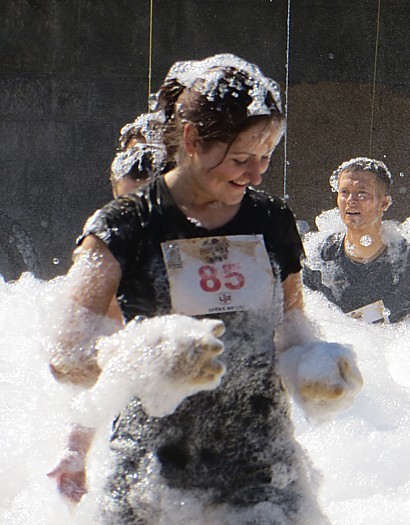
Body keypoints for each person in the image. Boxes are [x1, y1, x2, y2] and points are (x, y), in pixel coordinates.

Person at [47, 53, 361, 524]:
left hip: (262, 466)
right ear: (192, 140)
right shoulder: (126, 225)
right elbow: (67, 353)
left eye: (266, 156)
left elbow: (290, 322)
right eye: (240, 158)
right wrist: (147, 356)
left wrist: (313, 365)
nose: (256, 173)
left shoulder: (271, 220)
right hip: (156, 471)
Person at [303, 157, 410, 324]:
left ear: (384, 203)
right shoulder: (320, 257)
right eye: (344, 192)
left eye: (362, 193)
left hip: (398, 346)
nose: (351, 200)